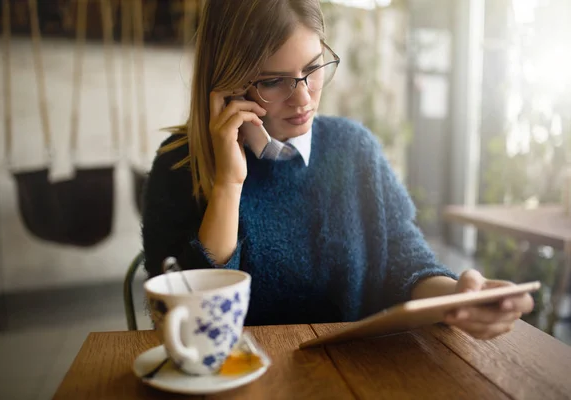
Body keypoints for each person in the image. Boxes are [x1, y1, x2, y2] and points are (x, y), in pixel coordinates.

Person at [142, 0, 533, 340]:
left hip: (356, 378)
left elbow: (405, 261)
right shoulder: (180, 165)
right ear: (228, 83)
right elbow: (186, 321)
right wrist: (229, 185)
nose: (303, 98)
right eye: (274, 81)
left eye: (313, 69)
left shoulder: (353, 147)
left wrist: (458, 297)